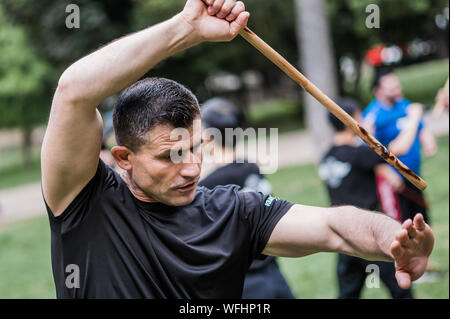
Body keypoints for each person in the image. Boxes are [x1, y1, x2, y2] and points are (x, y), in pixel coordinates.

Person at [41, 0, 434, 298]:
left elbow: (334, 227)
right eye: (170, 155)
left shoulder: (230, 211)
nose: (192, 168)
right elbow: (74, 91)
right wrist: (186, 28)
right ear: (123, 158)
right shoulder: (85, 201)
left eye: (195, 147)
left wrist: (390, 238)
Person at [199, 97, 295, 299]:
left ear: (207, 137)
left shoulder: (209, 186)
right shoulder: (251, 167)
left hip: (244, 285)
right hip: (272, 272)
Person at [319, 98, 413, 299]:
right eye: (359, 117)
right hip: (369, 234)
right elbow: (399, 148)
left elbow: (375, 171)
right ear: (350, 121)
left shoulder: (327, 157)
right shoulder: (358, 154)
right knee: (402, 290)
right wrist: (415, 118)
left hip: (343, 236)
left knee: (347, 294)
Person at [362, 68, 437, 225]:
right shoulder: (372, 116)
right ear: (378, 91)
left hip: (414, 176)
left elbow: (420, 127)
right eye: (390, 83)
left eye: (395, 81)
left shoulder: (404, 105)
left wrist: (427, 139)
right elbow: (368, 153)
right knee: (400, 227)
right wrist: (387, 173)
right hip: (394, 183)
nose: (396, 85)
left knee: (422, 225)